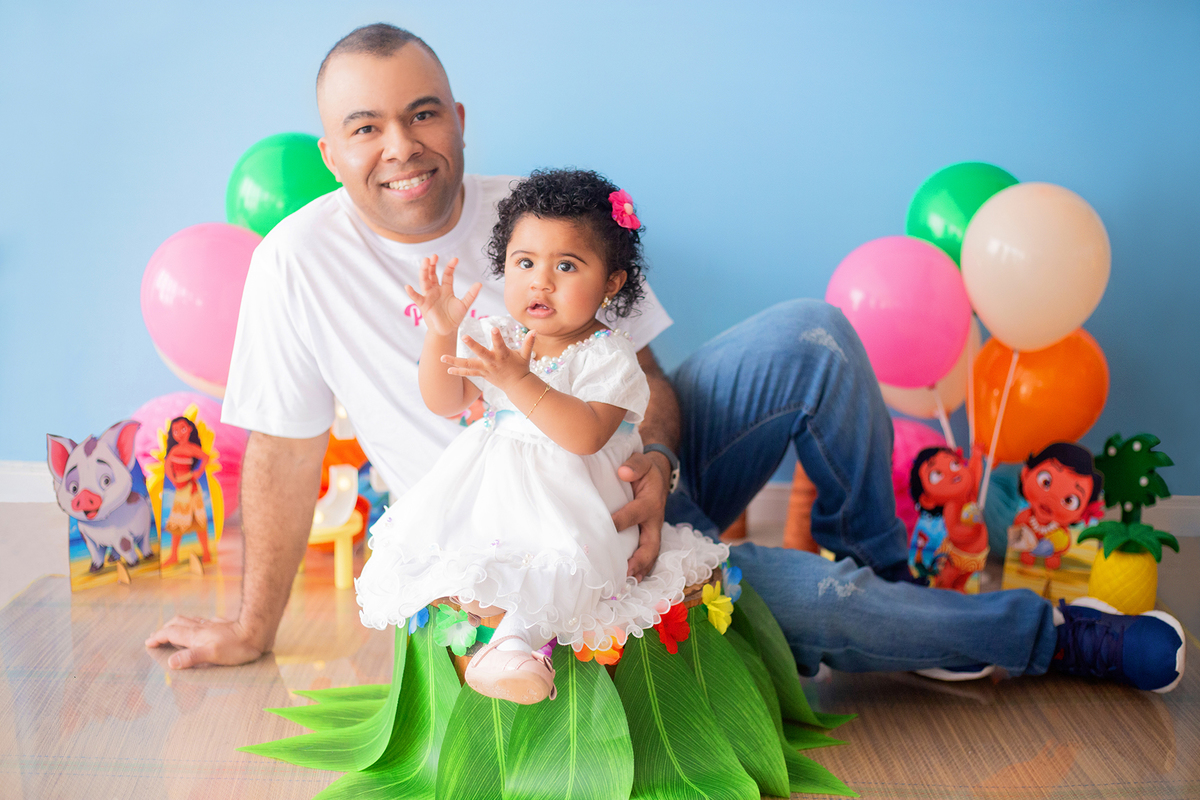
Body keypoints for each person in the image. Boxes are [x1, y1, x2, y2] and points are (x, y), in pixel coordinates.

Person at [146, 23, 1185, 695]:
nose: (400, 146)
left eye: (421, 113)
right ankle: (1048, 636)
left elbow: (647, 379)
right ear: (331, 152)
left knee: (813, 334)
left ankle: (891, 558)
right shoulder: (298, 262)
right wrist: (249, 625)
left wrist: (658, 462)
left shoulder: (545, 211)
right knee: (815, 601)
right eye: (364, 126)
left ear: (458, 119)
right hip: (530, 542)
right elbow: (283, 452)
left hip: (630, 471)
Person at [357, 169, 728, 703]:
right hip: (499, 501)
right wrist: (441, 329)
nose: (541, 281)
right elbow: (445, 402)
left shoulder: (608, 355)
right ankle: (492, 643)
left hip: (576, 504)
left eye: (567, 265)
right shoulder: (500, 337)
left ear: (612, 282)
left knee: (564, 565)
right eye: (525, 262)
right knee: (468, 557)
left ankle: (511, 650)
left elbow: (584, 436)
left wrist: (517, 379)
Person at [160, 416, 212, 567]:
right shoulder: (174, 450)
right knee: (177, 523)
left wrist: (199, 472)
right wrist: (174, 480)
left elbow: (206, 457)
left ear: (189, 429)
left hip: (192, 488)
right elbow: (167, 466)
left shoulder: (192, 448)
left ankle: (207, 553)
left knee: (199, 522)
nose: (179, 434)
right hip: (180, 489)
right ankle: (173, 555)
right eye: (175, 431)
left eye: (182, 429)